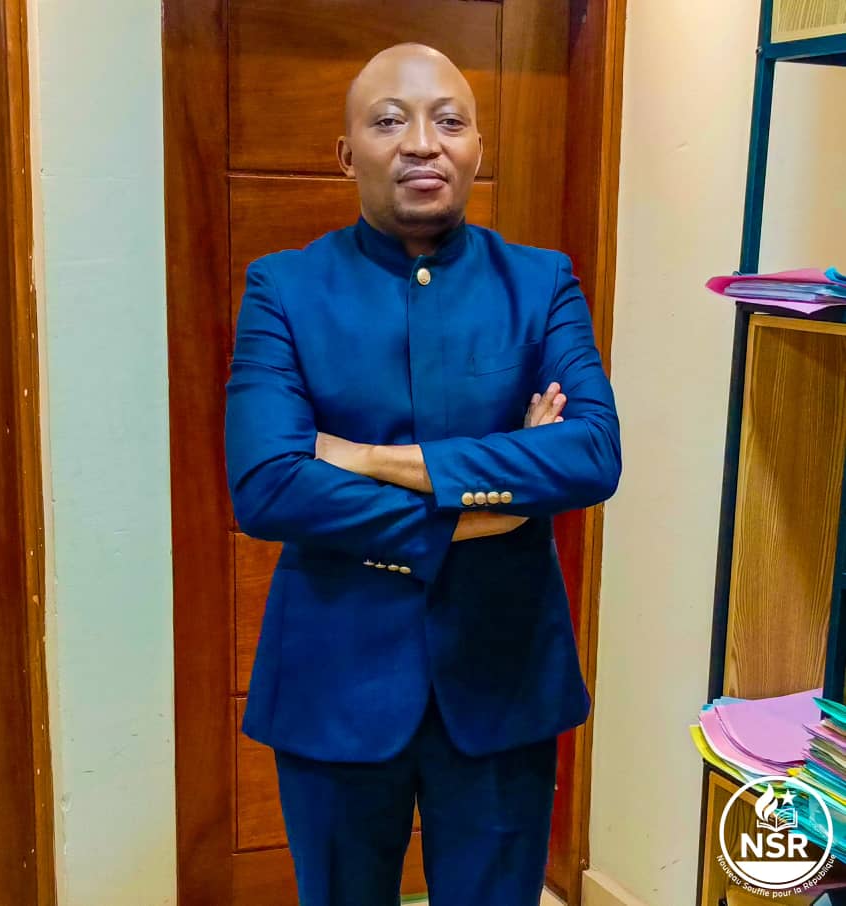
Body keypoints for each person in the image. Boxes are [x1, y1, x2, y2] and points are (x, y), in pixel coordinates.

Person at [224, 41, 621, 906]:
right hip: (332, 677)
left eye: (449, 121)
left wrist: (366, 458)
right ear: (346, 154)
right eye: (388, 121)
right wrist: (486, 507)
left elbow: (591, 452)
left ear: (478, 147)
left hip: (504, 677)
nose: (421, 143)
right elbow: (267, 484)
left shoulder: (541, 284)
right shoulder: (283, 288)